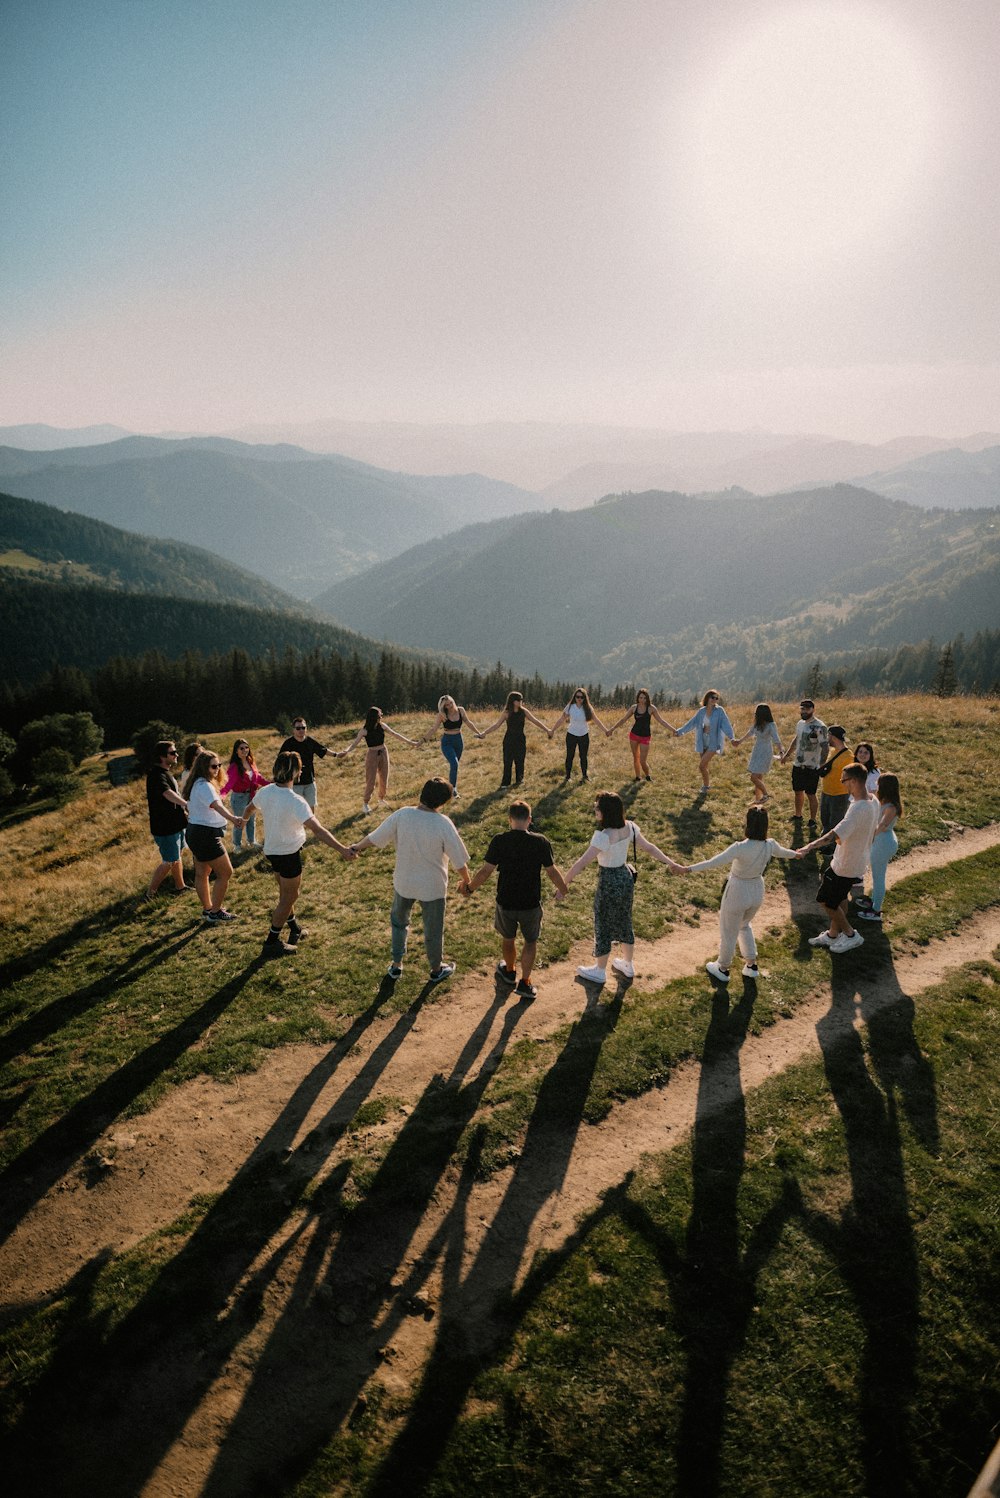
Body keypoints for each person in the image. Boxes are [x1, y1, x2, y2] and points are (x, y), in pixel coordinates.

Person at [348, 777, 471, 983]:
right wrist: (466, 881)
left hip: (404, 883)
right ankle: (435, 969)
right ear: (442, 802)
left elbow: (376, 837)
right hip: (432, 887)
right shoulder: (443, 823)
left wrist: (356, 847)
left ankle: (396, 965)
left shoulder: (403, 814)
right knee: (433, 929)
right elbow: (459, 860)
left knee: (399, 923)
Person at [561, 790, 683, 985]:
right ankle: (628, 964)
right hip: (625, 877)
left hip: (608, 880)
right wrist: (671, 863)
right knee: (624, 919)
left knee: (603, 922)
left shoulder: (604, 836)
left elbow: (581, 863)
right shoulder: (631, 827)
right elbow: (650, 847)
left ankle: (599, 971)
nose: (595, 810)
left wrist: (563, 885)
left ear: (605, 812)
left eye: (597, 808)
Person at [242, 751, 354, 957]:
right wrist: (343, 849)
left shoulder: (265, 791)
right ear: (294, 772)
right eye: (300, 767)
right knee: (290, 895)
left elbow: (249, 808)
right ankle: (271, 942)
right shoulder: (296, 801)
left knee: (285, 893)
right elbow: (319, 830)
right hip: (288, 854)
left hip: (272, 852)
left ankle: (294, 928)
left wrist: (242, 821)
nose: (301, 770)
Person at [463, 799, 569, 999]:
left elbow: (486, 871)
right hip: (530, 902)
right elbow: (552, 871)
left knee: (508, 938)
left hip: (506, 901)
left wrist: (470, 888)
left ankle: (510, 971)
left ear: (509, 819)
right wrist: (563, 889)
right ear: (529, 819)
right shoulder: (540, 841)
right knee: (530, 941)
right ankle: (525, 982)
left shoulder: (500, 840)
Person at [682, 806, 799, 983]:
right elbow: (786, 853)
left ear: (748, 824)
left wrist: (687, 869)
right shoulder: (770, 845)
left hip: (737, 890)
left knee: (729, 932)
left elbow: (713, 862)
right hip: (757, 890)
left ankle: (723, 968)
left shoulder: (739, 847)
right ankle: (751, 965)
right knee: (744, 925)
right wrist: (798, 854)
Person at [799, 764, 879, 953]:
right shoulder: (873, 801)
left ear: (853, 781)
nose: (842, 784)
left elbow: (833, 835)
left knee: (826, 901)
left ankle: (851, 935)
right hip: (857, 860)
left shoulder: (858, 808)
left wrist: (809, 847)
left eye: (844, 780)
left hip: (845, 864)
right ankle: (833, 934)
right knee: (841, 896)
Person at [182, 749, 245, 922]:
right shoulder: (204, 786)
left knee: (202, 873)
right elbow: (216, 805)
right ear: (203, 767)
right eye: (213, 766)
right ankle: (215, 912)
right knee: (226, 872)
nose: (217, 769)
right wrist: (233, 818)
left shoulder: (195, 783)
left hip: (195, 832)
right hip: (205, 835)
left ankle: (208, 909)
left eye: (219, 765)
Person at [336, 706, 416, 814]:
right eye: (380, 715)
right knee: (371, 780)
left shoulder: (382, 726)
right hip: (372, 755)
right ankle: (365, 804)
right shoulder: (364, 731)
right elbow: (354, 744)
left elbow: (395, 734)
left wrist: (410, 742)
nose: (381, 717)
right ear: (374, 717)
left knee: (384, 778)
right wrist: (345, 751)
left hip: (383, 751)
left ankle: (381, 799)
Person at [144, 739, 190, 897]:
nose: (176, 755)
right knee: (169, 861)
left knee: (176, 857)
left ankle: (180, 886)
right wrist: (186, 804)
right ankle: (150, 893)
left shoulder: (165, 773)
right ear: (162, 757)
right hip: (165, 827)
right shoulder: (156, 775)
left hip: (175, 824)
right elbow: (167, 793)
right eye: (173, 753)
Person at [479, 692, 551, 788]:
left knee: (520, 760)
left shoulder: (524, 711)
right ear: (513, 701)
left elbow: (535, 721)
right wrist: (484, 733)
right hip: (509, 739)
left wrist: (547, 730)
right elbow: (496, 725)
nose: (521, 701)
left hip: (520, 739)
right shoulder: (506, 713)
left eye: (521, 699)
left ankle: (519, 780)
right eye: (519, 699)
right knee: (507, 761)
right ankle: (505, 783)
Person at [857, 773, 902, 923]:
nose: (876, 785)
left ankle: (876, 910)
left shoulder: (891, 807)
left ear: (885, 786)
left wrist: (870, 837)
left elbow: (882, 825)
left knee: (879, 877)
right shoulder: (883, 801)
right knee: (877, 874)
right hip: (881, 841)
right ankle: (873, 900)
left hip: (883, 843)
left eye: (878, 783)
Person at [606, 689, 677, 781]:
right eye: (640, 697)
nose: (642, 700)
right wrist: (612, 729)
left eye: (644, 698)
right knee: (636, 757)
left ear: (647, 698)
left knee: (642, 760)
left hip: (645, 737)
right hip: (634, 735)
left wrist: (673, 730)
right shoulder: (634, 708)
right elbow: (623, 720)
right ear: (638, 698)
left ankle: (648, 776)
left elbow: (661, 721)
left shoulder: (651, 708)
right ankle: (638, 777)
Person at [422, 694, 483, 799]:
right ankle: (453, 791)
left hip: (459, 741)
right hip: (447, 742)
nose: (450, 706)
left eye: (451, 703)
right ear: (444, 706)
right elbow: (433, 729)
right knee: (454, 764)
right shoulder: (442, 714)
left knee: (455, 766)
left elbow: (468, 722)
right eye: (447, 705)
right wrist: (422, 741)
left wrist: (479, 733)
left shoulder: (461, 710)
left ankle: (450, 787)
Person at [675, 689, 735, 793]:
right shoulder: (701, 711)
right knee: (705, 766)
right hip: (702, 740)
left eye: (717, 698)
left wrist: (732, 738)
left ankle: (706, 787)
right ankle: (706, 785)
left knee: (701, 765)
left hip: (713, 741)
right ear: (707, 698)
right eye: (713, 697)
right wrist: (680, 732)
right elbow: (691, 723)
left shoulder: (720, 711)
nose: (715, 700)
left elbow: (726, 724)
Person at [780, 699, 828, 825]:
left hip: (812, 766)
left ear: (813, 709)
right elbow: (796, 740)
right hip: (798, 764)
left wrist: (822, 764)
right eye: (802, 709)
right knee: (798, 791)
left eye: (806, 709)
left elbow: (825, 746)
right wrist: (787, 755)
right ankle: (798, 815)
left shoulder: (820, 726)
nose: (804, 711)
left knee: (811, 794)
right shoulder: (800, 724)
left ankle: (812, 819)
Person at [550, 688, 608, 784]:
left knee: (583, 756)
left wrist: (606, 730)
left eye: (582, 697)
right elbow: (561, 719)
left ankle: (585, 776)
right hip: (571, 735)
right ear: (574, 697)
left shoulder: (588, 708)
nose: (579, 699)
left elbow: (596, 720)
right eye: (577, 697)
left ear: (585, 698)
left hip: (584, 735)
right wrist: (552, 730)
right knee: (570, 756)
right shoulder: (570, 707)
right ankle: (568, 776)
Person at [221, 739, 269, 852]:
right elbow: (228, 783)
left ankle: (251, 841)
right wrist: (221, 796)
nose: (244, 750)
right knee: (239, 821)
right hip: (239, 797)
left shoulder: (251, 762)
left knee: (251, 820)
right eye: (241, 748)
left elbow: (258, 778)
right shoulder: (234, 766)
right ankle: (237, 845)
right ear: (236, 751)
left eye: (246, 747)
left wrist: (271, 784)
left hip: (252, 795)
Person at [734, 703, 784, 805]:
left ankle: (765, 795)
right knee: (759, 778)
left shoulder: (771, 725)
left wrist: (781, 753)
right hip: (757, 750)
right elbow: (750, 733)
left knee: (754, 777)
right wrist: (739, 741)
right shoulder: (757, 724)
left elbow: (776, 740)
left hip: (765, 752)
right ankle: (758, 801)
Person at [279, 717, 329, 811]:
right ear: (293, 730)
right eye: (298, 728)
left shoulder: (310, 741)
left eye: (303, 728)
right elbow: (280, 761)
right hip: (294, 783)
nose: (301, 730)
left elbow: (322, 750)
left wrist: (336, 754)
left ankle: (311, 826)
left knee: (311, 807)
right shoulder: (288, 743)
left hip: (309, 781)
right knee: (296, 808)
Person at [816, 726, 852, 836]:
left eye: (828, 736)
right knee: (825, 820)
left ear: (833, 737)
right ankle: (825, 842)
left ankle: (832, 848)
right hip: (826, 792)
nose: (827, 738)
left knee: (835, 823)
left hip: (839, 795)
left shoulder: (849, 757)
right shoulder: (833, 752)